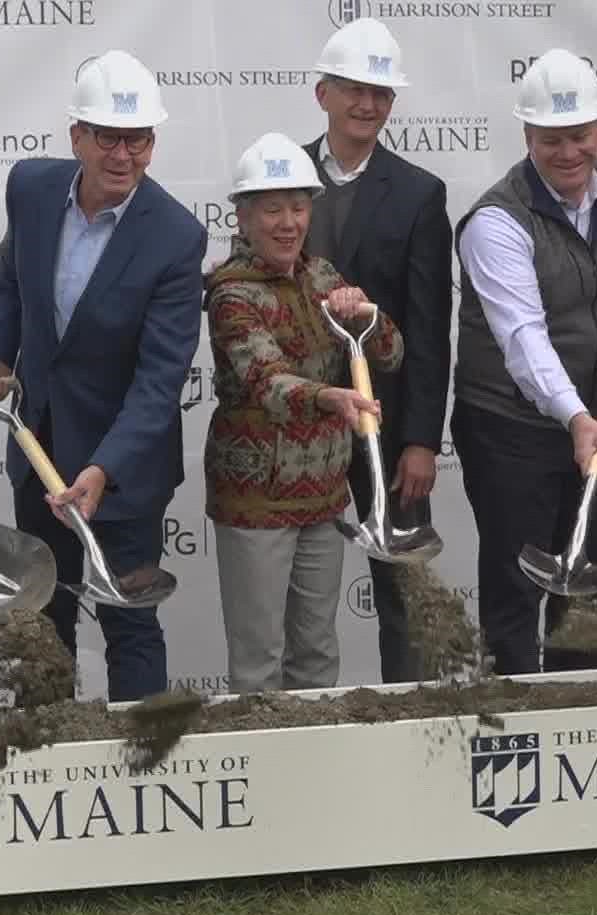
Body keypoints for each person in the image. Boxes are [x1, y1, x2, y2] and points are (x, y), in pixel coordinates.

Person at [0, 50, 207, 703]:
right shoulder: (31, 189)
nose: (124, 154)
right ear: (77, 135)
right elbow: (11, 280)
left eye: (139, 139)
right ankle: (47, 763)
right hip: (38, 452)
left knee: (129, 628)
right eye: (108, 137)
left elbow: (160, 380)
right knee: (41, 623)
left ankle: (140, 774)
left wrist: (102, 471)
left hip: (122, 477)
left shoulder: (177, 239)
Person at [451, 48, 597, 677]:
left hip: (595, 417)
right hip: (509, 425)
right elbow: (524, 340)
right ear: (527, 137)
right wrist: (576, 418)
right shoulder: (496, 221)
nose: (569, 152)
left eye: (581, 136)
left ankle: (578, 720)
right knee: (517, 592)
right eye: (552, 139)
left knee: (587, 583)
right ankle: (515, 734)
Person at [204, 132, 404, 694]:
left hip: (323, 492)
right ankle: (263, 775)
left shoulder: (324, 278)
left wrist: (367, 315)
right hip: (254, 498)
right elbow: (266, 381)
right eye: (272, 209)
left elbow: (390, 352)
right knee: (259, 660)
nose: (287, 222)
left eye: (298, 207)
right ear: (243, 218)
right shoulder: (230, 293)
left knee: (317, 653)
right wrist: (330, 398)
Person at [300, 17, 452, 685]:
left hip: (386, 434)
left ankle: (411, 721)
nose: (367, 105)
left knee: (405, 599)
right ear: (322, 93)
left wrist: (421, 440)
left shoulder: (421, 194)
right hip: (297, 429)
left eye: (381, 94)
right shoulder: (280, 176)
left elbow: (429, 326)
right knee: (299, 604)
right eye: (353, 89)